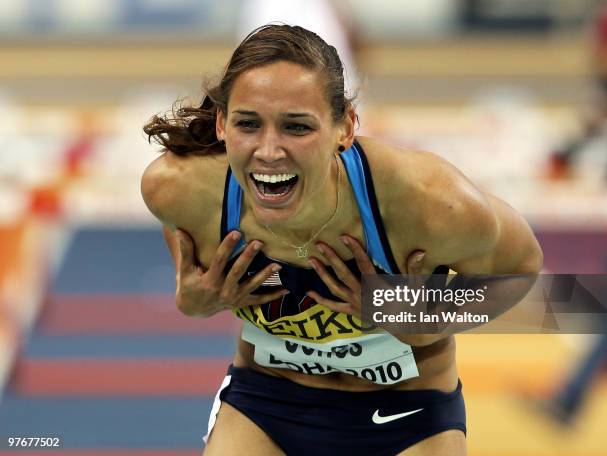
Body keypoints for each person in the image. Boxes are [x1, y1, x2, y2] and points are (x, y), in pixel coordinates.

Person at [141, 24, 543, 456]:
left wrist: (426, 315)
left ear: (345, 128)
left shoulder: (428, 202)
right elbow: (184, 258)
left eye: (297, 127)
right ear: (221, 124)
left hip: (408, 414)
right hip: (268, 405)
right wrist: (191, 299)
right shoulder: (179, 190)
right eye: (248, 124)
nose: (269, 151)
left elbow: (528, 271)